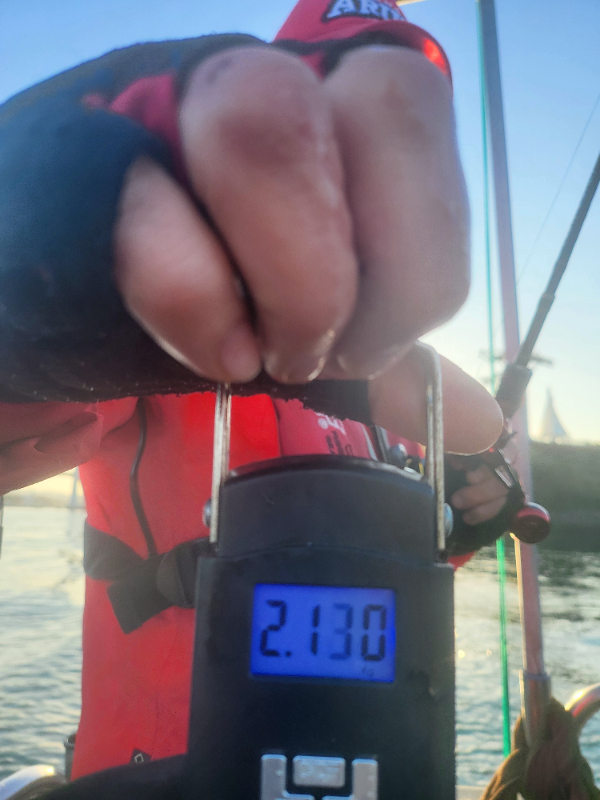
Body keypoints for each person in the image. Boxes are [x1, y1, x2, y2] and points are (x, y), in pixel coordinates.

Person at [0, 0, 510, 782]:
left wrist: (462, 520)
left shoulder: (394, 389)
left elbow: (374, 562)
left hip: (369, 765)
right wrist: (35, 283)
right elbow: (29, 409)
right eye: (330, 126)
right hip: (151, 778)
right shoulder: (153, 334)